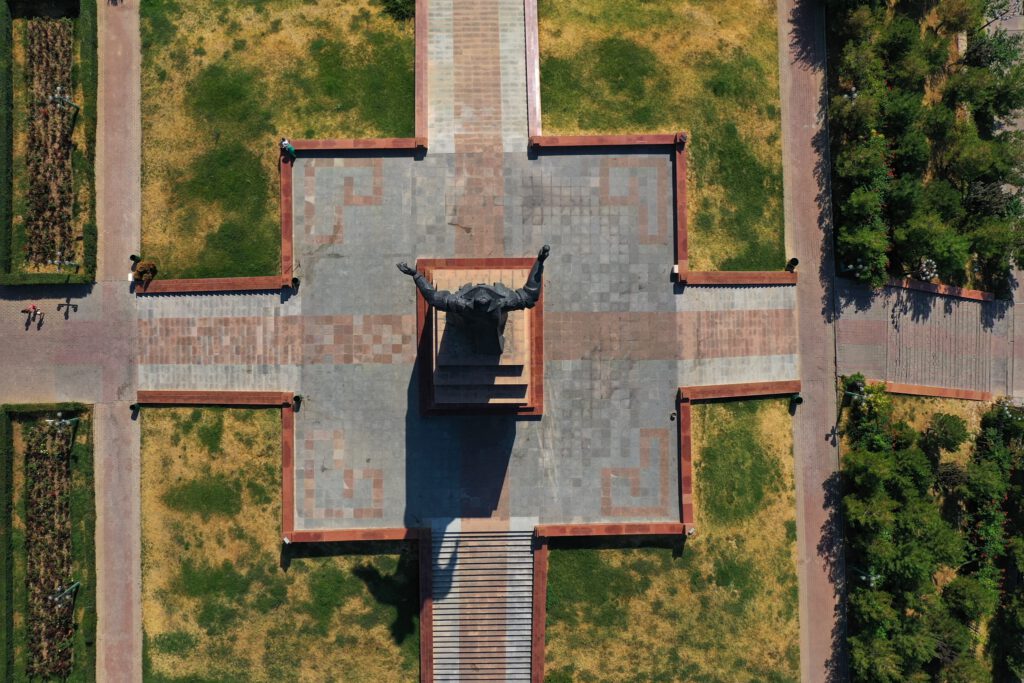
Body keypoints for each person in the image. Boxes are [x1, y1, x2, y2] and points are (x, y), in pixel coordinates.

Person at [397, 245, 550, 354]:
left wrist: (416, 275)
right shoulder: (504, 301)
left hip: (474, 325)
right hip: (486, 326)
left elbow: (433, 297)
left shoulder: (461, 303)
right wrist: (539, 262)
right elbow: (530, 295)